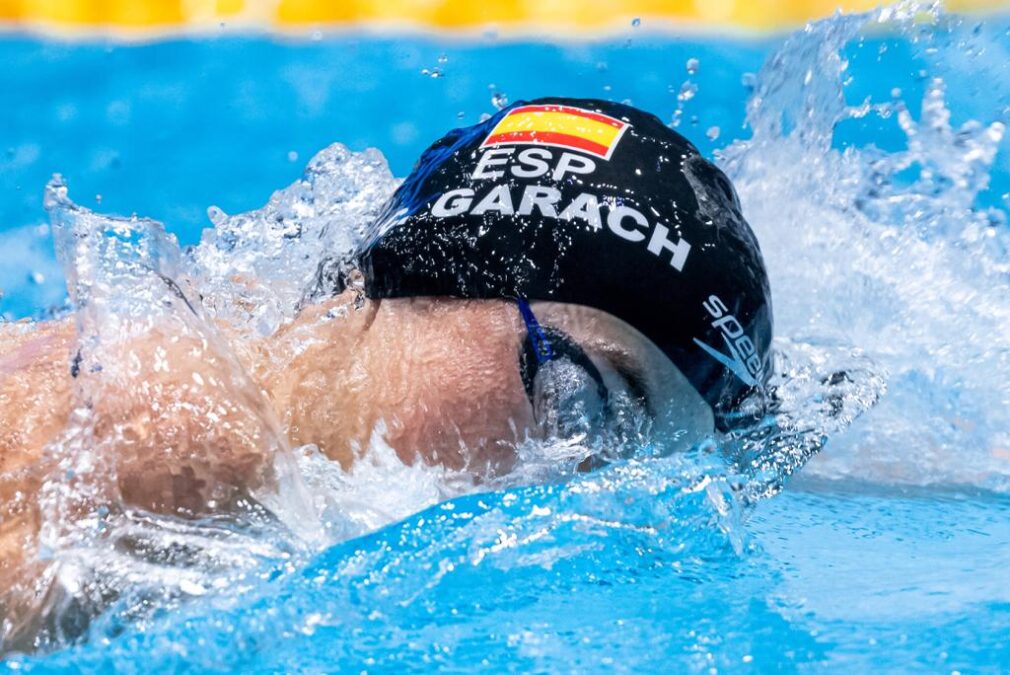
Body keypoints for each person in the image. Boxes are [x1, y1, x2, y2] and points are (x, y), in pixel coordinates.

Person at [0, 97, 772, 648]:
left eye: (644, 464)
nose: (582, 491)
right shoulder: (167, 442)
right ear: (430, 275)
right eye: (581, 406)